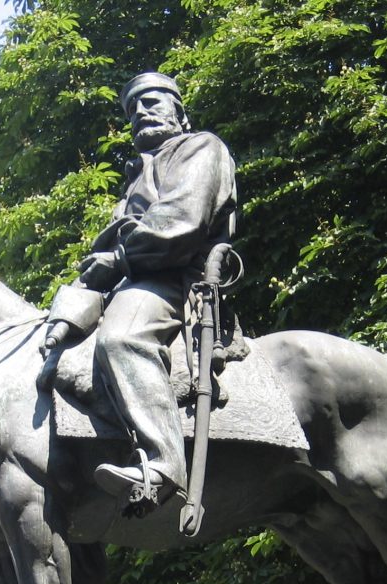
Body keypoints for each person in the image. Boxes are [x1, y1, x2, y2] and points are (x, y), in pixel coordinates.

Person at [75, 72, 238, 510]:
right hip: (131, 278)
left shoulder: (201, 147)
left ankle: (163, 465)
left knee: (121, 338)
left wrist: (120, 259)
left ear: (179, 113)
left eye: (152, 103)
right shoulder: (134, 178)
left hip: (173, 278)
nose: (140, 113)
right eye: (132, 110)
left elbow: (181, 220)